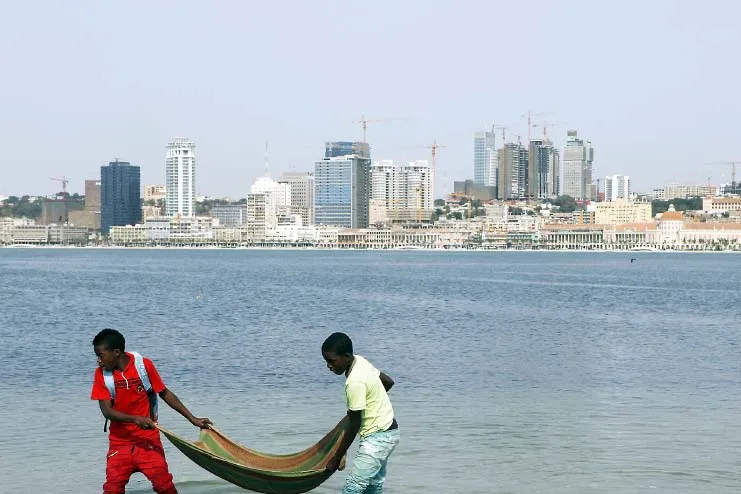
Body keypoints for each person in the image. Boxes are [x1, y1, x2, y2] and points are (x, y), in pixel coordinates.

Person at [91, 328, 212, 494]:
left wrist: (193, 419)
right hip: (120, 444)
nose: (98, 361)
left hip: (148, 441)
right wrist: (136, 419)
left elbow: (165, 393)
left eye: (101, 356)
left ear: (117, 352)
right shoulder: (102, 375)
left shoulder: (143, 366)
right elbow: (107, 411)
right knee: (112, 489)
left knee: (164, 487)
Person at [321, 332, 400, 494]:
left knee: (352, 488)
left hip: (377, 440)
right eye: (326, 361)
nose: (328, 366)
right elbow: (388, 381)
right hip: (390, 432)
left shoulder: (354, 382)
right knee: (372, 487)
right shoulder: (360, 361)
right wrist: (372, 400)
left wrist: (337, 458)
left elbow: (355, 422)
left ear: (346, 356)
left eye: (332, 361)